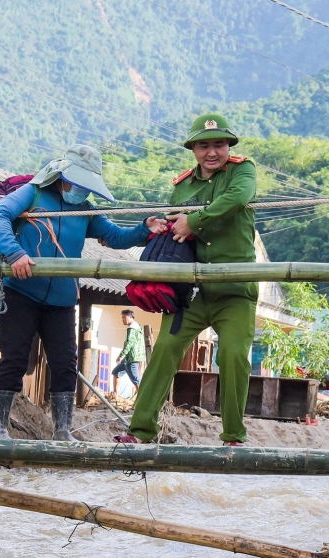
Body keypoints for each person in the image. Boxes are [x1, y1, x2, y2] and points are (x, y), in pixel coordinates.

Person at [0, 144, 164, 441]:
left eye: (86, 186)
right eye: (78, 184)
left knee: (65, 363)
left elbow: (117, 237)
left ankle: (62, 431)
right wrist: (15, 253)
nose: (81, 190)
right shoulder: (34, 193)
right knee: (14, 358)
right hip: (22, 293)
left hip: (62, 300)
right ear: (62, 175)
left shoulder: (85, 210)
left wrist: (144, 229)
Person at [116, 114, 259, 446]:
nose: (212, 152)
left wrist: (194, 220)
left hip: (234, 290)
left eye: (219, 144)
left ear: (229, 147)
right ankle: (140, 432)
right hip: (190, 292)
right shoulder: (182, 186)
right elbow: (172, 230)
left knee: (234, 355)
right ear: (194, 149)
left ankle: (234, 437)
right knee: (165, 349)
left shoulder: (243, 171)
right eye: (204, 145)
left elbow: (236, 199)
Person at [111, 310, 145, 395]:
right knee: (116, 372)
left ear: (130, 317)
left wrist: (121, 355)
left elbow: (129, 343)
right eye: (122, 318)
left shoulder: (133, 328)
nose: (122, 319)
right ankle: (115, 395)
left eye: (124, 317)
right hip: (131, 357)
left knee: (136, 380)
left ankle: (143, 399)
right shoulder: (138, 327)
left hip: (132, 358)